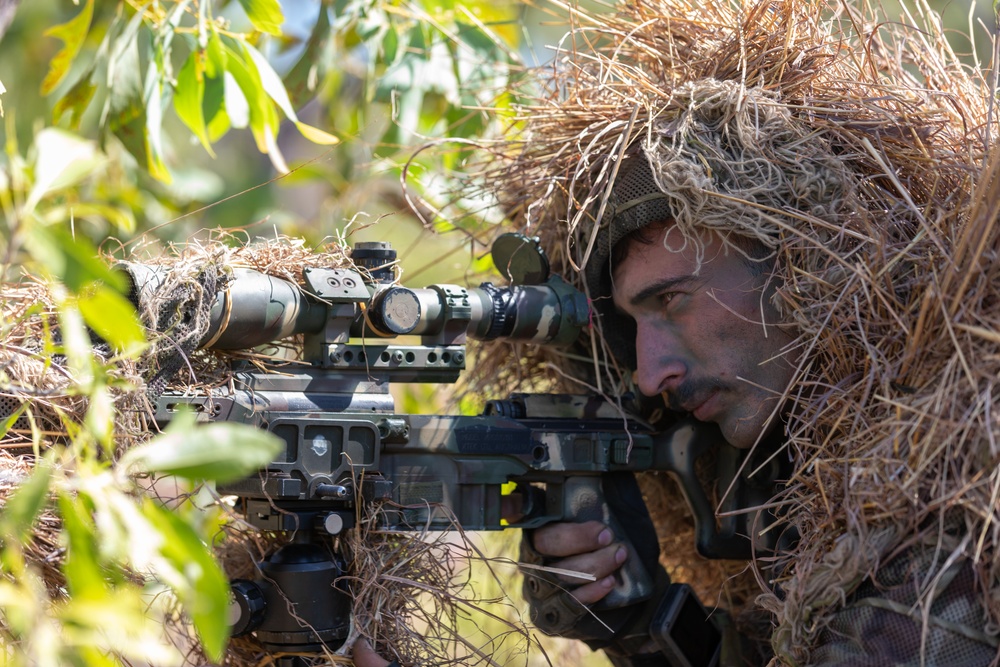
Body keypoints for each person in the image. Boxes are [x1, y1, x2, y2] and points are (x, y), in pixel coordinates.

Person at [356, 0, 1000, 664]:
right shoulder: (851, 491)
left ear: (805, 266)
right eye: (633, 325)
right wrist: (640, 618)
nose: (648, 373)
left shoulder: (956, 511)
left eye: (673, 300)